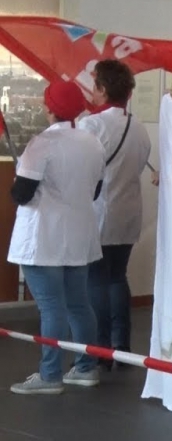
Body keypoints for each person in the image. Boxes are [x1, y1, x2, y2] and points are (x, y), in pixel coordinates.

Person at [8, 80, 106, 394]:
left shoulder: (42, 144)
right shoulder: (92, 142)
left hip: (44, 238)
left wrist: (20, 175)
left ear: (49, 108)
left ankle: (50, 375)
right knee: (79, 305)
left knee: (51, 307)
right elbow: (95, 191)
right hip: (79, 235)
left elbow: (21, 195)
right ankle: (86, 368)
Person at [78, 60, 152, 366]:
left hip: (99, 211)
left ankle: (101, 348)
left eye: (95, 85)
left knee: (96, 280)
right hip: (128, 211)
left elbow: (83, 168)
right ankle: (121, 345)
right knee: (117, 277)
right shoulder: (139, 128)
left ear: (103, 89)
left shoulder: (91, 125)